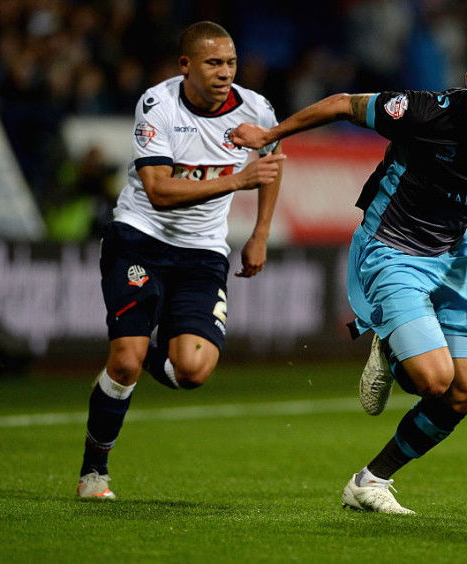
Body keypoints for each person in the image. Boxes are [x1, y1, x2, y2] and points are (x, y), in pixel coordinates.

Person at [231, 33, 467, 514]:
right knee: (433, 380)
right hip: (392, 248)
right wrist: (270, 135)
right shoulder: (423, 111)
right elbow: (342, 104)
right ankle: (391, 348)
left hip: (455, 255)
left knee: (463, 393)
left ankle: (369, 481)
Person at [76, 21, 286, 500]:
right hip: (140, 238)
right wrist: (236, 181)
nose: (225, 72)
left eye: (231, 62)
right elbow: (158, 190)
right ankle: (94, 472)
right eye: (213, 63)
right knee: (125, 363)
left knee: (191, 372)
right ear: (185, 66)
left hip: (203, 251)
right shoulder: (159, 105)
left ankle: (136, 350)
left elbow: (273, 160)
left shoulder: (256, 108)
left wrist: (260, 232)